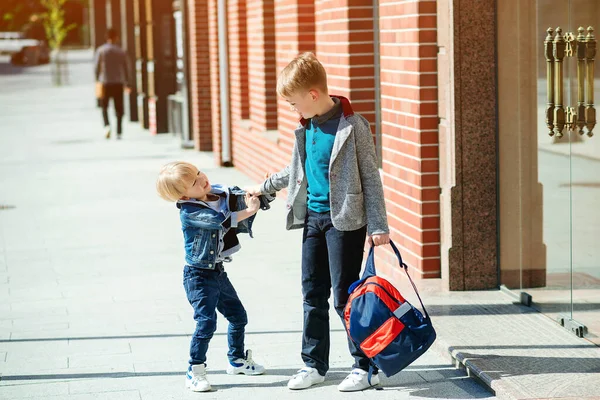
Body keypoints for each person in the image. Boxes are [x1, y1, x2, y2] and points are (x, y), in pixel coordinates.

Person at [246, 52, 390, 392]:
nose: (293, 111)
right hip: (311, 219)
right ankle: (314, 365)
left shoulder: (353, 126)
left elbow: (371, 178)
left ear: (313, 94)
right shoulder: (306, 126)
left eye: (295, 103)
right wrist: (263, 187)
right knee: (312, 293)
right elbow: (293, 171)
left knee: (344, 297)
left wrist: (378, 225)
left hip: (345, 222)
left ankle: (365, 365)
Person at [156, 161, 266, 392]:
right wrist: (250, 210)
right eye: (194, 182)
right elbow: (221, 221)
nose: (201, 179)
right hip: (197, 276)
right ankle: (195, 370)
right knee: (206, 322)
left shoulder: (214, 192)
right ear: (184, 194)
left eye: (198, 173)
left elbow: (235, 192)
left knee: (238, 316)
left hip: (217, 271)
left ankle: (236, 360)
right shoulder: (189, 211)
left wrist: (262, 187)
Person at [94, 28, 130, 140]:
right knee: (119, 109)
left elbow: (96, 68)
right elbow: (126, 68)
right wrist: (128, 82)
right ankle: (119, 132)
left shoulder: (101, 51)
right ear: (116, 38)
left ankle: (107, 126)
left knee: (104, 107)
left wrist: (97, 80)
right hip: (118, 83)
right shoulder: (121, 51)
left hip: (105, 82)